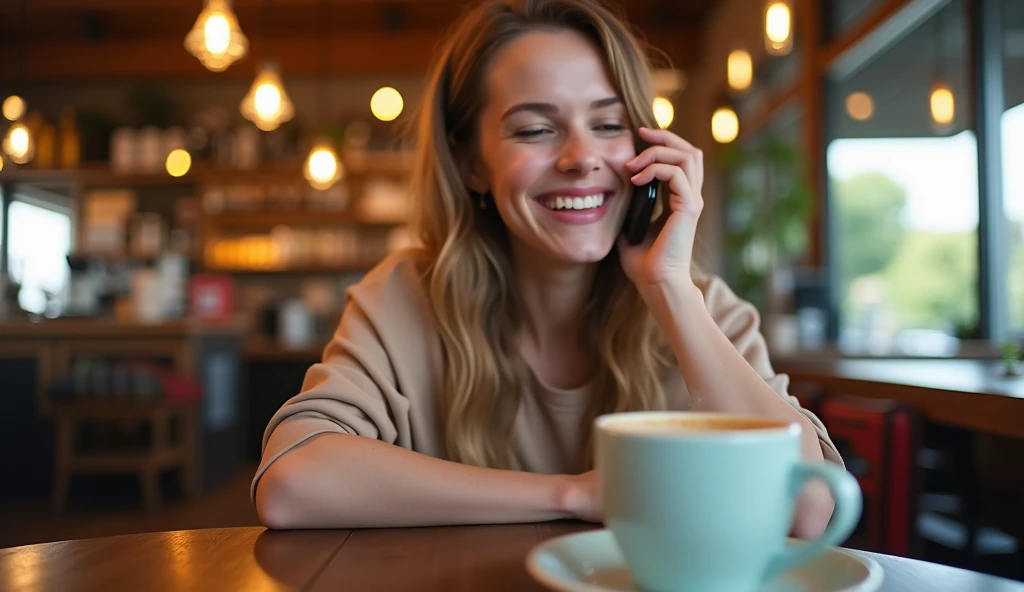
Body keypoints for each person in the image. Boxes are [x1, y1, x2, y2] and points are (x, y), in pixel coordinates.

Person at [252, 0, 843, 537]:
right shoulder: (406, 296)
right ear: (471, 164)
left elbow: (807, 509)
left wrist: (668, 289)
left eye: (609, 124)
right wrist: (575, 494)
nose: (582, 157)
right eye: (535, 129)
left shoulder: (700, 305)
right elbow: (292, 482)